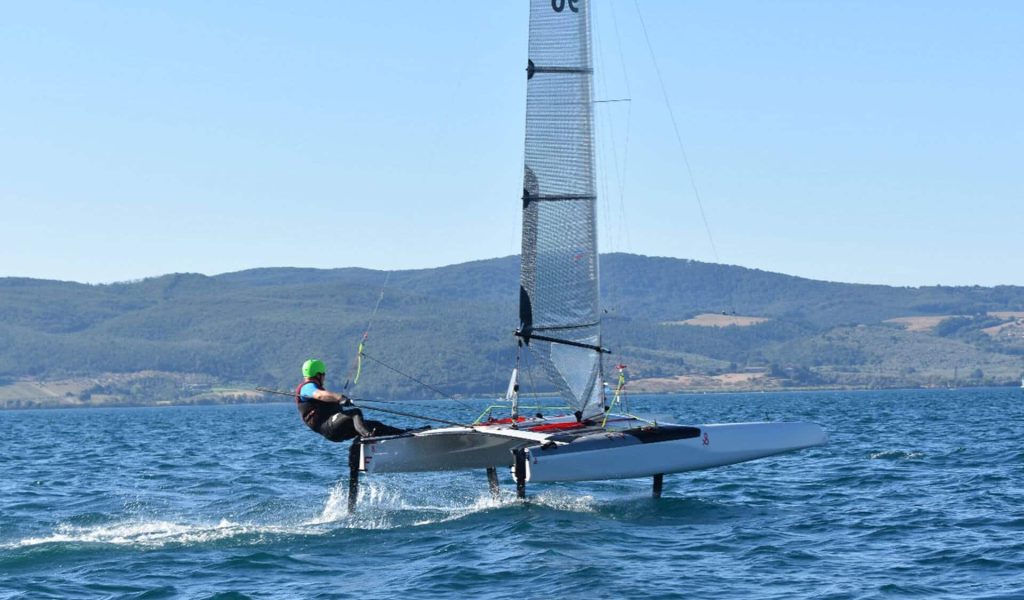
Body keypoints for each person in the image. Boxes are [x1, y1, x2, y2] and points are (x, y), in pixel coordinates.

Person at [295, 358, 405, 442]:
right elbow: (319, 395)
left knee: (374, 425)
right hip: (329, 427)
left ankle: (403, 434)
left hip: (336, 427)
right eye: (323, 375)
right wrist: (339, 398)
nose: (324, 377)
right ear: (318, 375)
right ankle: (368, 438)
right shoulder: (307, 387)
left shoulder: (312, 387)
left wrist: (342, 402)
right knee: (355, 413)